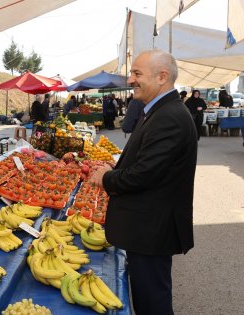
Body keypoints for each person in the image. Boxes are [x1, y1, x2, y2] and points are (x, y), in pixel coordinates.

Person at [90, 49, 197, 315]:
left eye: (137, 73)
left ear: (162, 76)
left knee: (153, 302)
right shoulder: (158, 110)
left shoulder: (169, 116)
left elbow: (145, 174)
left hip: (152, 230)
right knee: (148, 296)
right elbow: (149, 162)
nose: (131, 79)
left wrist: (106, 177)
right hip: (148, 227)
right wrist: (116, 168)